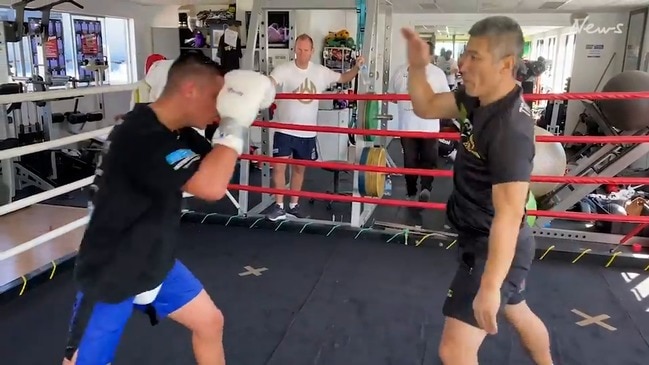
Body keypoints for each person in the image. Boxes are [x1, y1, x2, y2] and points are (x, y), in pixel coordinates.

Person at [62, 52, 275, 365]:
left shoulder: (177, 131)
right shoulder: (139, 134)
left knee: (210, 322)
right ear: (190, 89)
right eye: (216, 96)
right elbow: (211, 187)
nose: (220, 107)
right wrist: (236, 125)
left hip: (153, 259)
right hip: (112, 269)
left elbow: (217, 162)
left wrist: (246, 110)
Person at [402, 16, 554, 365]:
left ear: (506, 65)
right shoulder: (475, 99)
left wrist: (489, 285)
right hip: (481, 237)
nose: (462, 64)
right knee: (518, 310)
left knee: (454, 351)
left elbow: (510, 214)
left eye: (474, 57)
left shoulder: (509, 131)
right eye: (464, 54)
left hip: (495, 248)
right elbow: (425, 106)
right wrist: (416, 66)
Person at [265, 33, 364, 221]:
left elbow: (343, 78)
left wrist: (357, 67)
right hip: (284, 129)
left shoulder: (320, 71)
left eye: (306, 50)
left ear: (312, 51)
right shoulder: (283, 69)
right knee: (279, 168)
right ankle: (278, 206)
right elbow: (272, 81)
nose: (302, 54)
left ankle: (293, 205)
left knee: (299, 170)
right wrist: (263, 83)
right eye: (299, 50)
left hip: (306, 131)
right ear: (295, 49)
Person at [389, 59, 449, 202]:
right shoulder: (399, 72)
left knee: (428, 159)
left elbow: (445, 97)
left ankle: (425, 188)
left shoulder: (437, 73)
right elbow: (392, 97)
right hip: (408, 127)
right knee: (410, 161)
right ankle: (411, 191)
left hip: (429, 126)